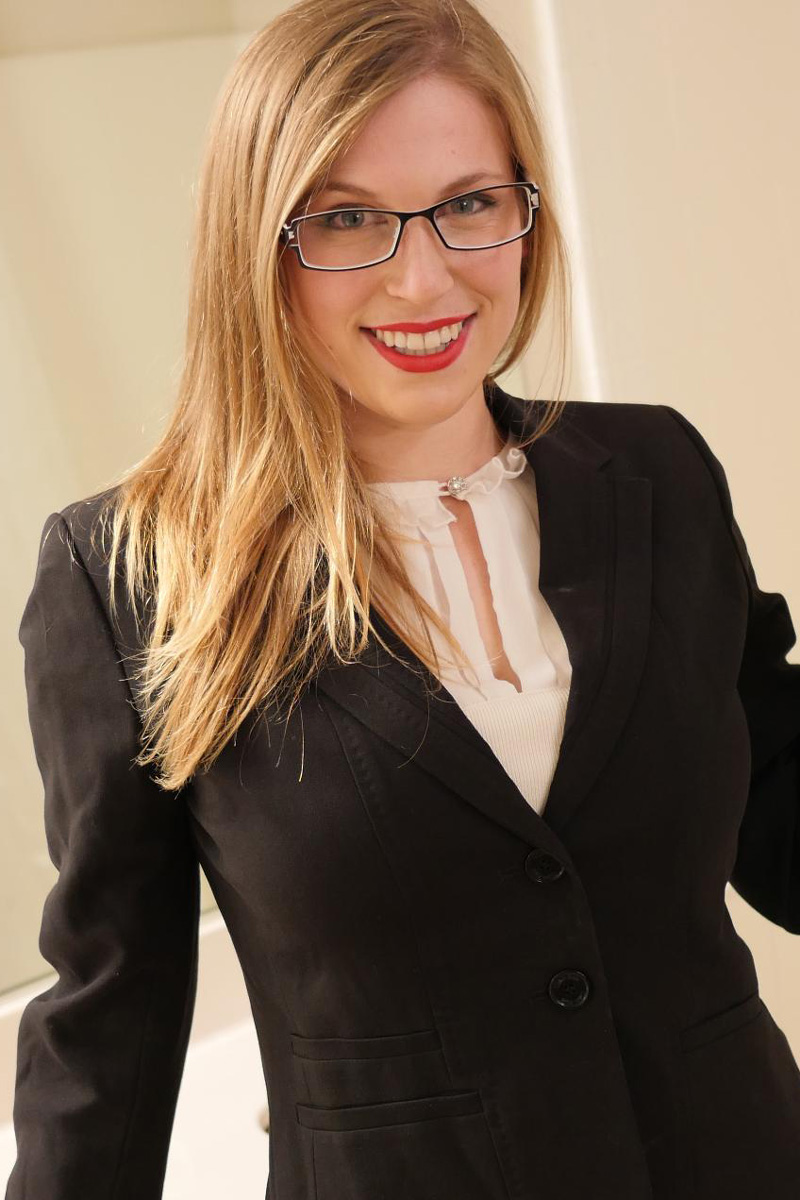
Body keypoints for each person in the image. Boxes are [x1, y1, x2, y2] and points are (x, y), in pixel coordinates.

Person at [6, 0, 800, 1197]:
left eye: (469, 203)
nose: (422, 277)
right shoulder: (130, 574)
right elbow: (108, 1022)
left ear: (525, 211)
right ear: (256, 244)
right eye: (345, 219)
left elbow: (777, 799)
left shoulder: (658, 476)